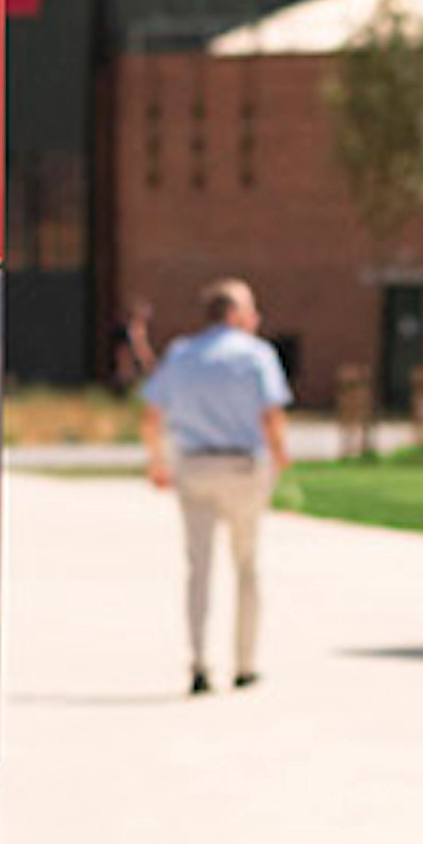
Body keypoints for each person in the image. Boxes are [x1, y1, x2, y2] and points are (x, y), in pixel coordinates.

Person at [138, 278, 293, 696]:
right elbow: (272, 416)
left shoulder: (182, 354)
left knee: (198, 569)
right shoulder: (257, 356)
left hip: (195, 466)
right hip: (244, 466)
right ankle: (245, 663)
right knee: (247, 566)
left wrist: (157, 462)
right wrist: (280, 458)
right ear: (236, 314)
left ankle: (199, 663)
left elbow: (152, 416)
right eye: (251, 309)